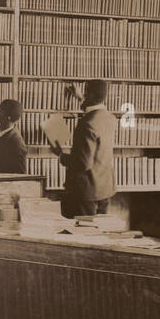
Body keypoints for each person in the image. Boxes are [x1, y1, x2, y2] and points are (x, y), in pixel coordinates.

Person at [50, 79, 117, 218]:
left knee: (82, 232)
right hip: (104, 188)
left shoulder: (86, 123)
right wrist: (80, 97)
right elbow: (92, 108)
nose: (84, 95)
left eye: (86, 93)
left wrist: (60, 155)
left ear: (91, 95)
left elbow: (83, 163)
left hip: (85, 192)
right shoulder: (109, 117)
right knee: (97, 233)